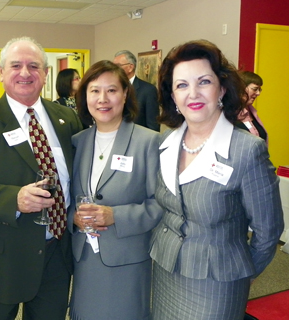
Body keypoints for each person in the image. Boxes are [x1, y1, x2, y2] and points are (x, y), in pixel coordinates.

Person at [0, 36, 82, 320]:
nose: (25, 73)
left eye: (34, 66)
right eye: (16, 65)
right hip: (1, 259)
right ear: (1, 72)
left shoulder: (67, 119)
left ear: (45, 74)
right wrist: (14, 199)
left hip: (56, 255)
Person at [150, 39, 284, 320]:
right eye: (182, 85)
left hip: (218, 284)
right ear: (173, 96)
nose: (193, 93)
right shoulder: (166, 143)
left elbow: (268, 231)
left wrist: (241, 273)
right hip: (165, 272)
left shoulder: (247, 150)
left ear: (222, 88)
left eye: (204, 82)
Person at [68, 60, 163, 320]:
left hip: (127, 260)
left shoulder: (149, 142)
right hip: (85, 258)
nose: (103, 99)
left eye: (111, 90)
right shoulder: (78, 142)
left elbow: (161, 203)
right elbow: (66, 199)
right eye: (94, 91)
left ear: (125, 94)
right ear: (84, 96)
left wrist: (116, 216)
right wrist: (73, 219)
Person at [113, 50, 160, 131]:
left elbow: (153, 126)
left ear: (130, 67)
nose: (113, 70)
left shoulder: (148, 90)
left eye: (117, 66)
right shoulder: (112, 89)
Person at [236, 71, 267, 145]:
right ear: (242, 87)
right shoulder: (228, 113)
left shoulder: (252, 112)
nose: (258, 93)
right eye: (255, 89)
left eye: (259, 90)